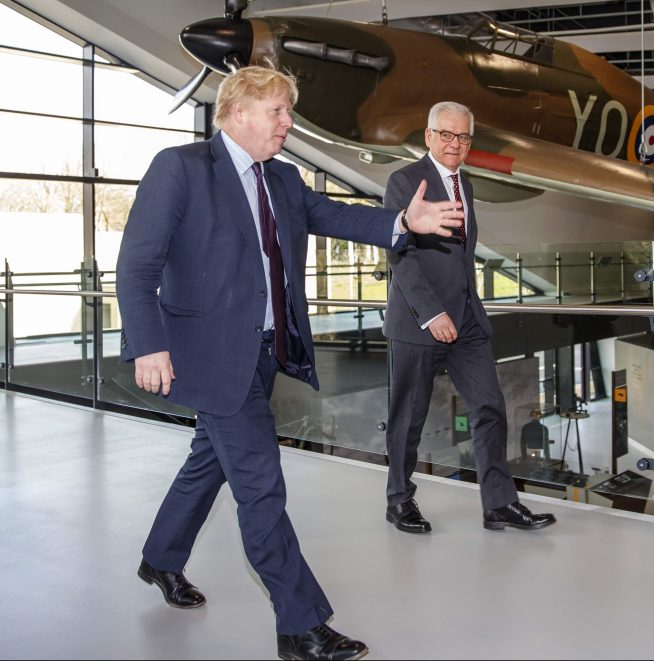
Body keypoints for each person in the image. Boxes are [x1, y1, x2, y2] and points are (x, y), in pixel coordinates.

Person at [116, 66, 463, 661]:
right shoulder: (182, 169)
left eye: (288, 111)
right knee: (261, 487)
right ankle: (300, 626)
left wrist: (404, 222)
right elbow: (136, 264)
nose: (287, 122)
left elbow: (335, 216)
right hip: (208, 359)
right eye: (277, 110)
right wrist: (148, 344)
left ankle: (159, 559)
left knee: (209, 463)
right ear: (238, 111)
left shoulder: (282, 177)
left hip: (263, 355)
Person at [382, 101, 556, 535]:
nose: (454, 144)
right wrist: (432, 313)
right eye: (446, 135)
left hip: (467, 320)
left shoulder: (467, 186)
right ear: (429, 136)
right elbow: (400, 257)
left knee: (491, 406)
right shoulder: (404, 182)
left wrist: (461, 308)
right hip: (419, 320)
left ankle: (498, 504)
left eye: (462, 137)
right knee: (409, 416)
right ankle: (399, 501)